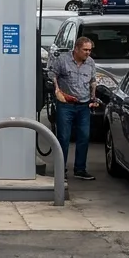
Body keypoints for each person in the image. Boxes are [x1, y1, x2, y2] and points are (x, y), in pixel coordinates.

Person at [51, 35, 99, 181]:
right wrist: (57, 90)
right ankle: (60, 169)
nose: (88, 53)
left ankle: (80, 169)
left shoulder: (90, 63)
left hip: (84, 105)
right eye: (85, 50)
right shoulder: (63, 60)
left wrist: (93, 97)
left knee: (84, 137)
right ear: (76, 49)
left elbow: (93, 81)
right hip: (66, 104)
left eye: (89, 50)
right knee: (64, 137)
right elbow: (53, 74)